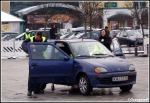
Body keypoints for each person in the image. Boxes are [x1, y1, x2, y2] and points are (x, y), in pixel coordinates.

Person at [21, 31, 47, 97]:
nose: (35, 38)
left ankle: (37, 89)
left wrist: (35, 46)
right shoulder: (31, 39)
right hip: (33, 59)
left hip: (42, 59)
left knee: (39, 75)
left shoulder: (44, 39)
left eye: (37, 38)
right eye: (35, 36)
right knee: (32, 75)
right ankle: (30, 91)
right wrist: (29, 49)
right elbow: (23, 44)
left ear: (40, 37)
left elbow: (44, 48)